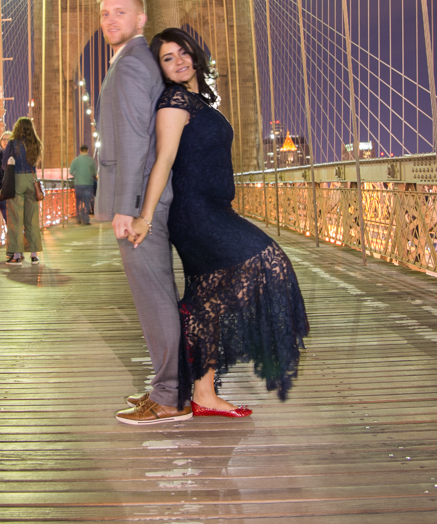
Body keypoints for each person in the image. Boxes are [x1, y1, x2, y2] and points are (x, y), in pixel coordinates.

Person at [129, 27, 309, 417]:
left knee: (206, 300)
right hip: (196, 214)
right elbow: (164, 160)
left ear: (195, 53)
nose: (178, 61)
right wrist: (145, 216)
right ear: (161, 69)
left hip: (214, 209)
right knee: (269, 261)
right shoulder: (175, 100)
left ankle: (201, 392)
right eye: (167, 58)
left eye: (183, 52)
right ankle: (188, 350)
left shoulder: (198, 100)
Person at [95, 0, 192, 426]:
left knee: (154, 298)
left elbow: (135, 139)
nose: (110, 20)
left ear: (140, 21)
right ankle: (166, 387)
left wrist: (130, 207)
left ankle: (170, 396)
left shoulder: (132, 63)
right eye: (104, 13)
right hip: (137, 199)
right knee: (156, 296)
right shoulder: (130, 61)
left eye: (120, 12)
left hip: (137, 205)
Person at [4, 117, 43, 265]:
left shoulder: (13, 143)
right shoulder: (36, 143)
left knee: (16, 219)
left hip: (17, 180)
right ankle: (34, 255)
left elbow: (4, 164)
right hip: (32, 181)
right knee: (32, 219)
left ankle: (16, 255)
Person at [69, 144, 97, 225]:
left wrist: (77, 175)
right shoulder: (91, 160)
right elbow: (94, 173)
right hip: (88, 184)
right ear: (87, 150)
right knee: (87, 202)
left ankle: (78, 218)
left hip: (78, 184)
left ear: (80, 151)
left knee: (78, 201)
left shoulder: (75, 160)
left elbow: (71, 172)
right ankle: (86, 219)